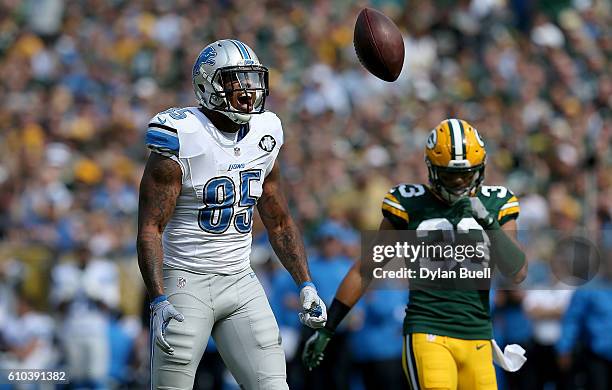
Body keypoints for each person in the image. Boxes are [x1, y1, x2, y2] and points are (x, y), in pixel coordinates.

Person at [137, 39, 327, 390]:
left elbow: (279, 219)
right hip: (185, 281)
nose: (246, 90)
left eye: (251, 79)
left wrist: (306, 282)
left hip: (241, 280)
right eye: (233, 80)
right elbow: (151, 227)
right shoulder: (181, 135)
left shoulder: (265, 132)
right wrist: (158, 298)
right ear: (206, 86)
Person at [302, 119, 528, 390]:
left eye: (465, 174)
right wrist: (329, 327)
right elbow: (366, 269)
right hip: (428, 331)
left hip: (478, 337)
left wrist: (489, 222)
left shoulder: (496, 202)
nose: (457, 182)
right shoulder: (410, 203)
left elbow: (517, 272)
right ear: (432, 169)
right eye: (449, 174)